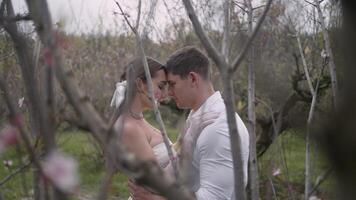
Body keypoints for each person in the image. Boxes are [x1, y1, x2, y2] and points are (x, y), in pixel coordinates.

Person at [166, 46, 250, 199]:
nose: (169, 92)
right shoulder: (197, 116)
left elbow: (214, 197)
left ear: (192, 78)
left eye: (172, 84)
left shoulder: (218, 128)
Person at [111, 57, 172, 200]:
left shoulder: (138, 120)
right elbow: (159, 182)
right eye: (161, 86)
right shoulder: (128, 128)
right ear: (139, 84)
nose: (164, 95)